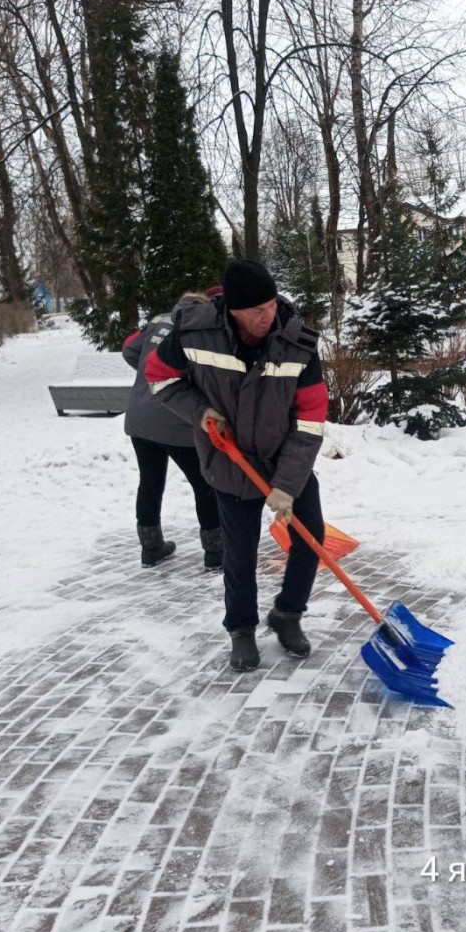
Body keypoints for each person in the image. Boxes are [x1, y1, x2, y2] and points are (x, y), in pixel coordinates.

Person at [144, 260, 328, 672]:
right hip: (229, 459)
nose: (268, 315)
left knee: (310, 537)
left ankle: (288, 614)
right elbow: (160, 377)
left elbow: (311, 418)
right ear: (232, 309)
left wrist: (288, 482)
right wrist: (202, 412)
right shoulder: (195, 334)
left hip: (285, 456)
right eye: (256, 310)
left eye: (270, 305)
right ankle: (241, 630)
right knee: (240, 552)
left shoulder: (297, 342)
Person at [122, 293, 224, 570]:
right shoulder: (200, 330)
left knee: (150, 481)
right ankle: (216, 552)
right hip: (176, 419)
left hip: (140, 418)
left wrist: (149, 373)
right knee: (204, 483)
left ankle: (151, 547)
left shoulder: (159, 321)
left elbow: (130, 349)